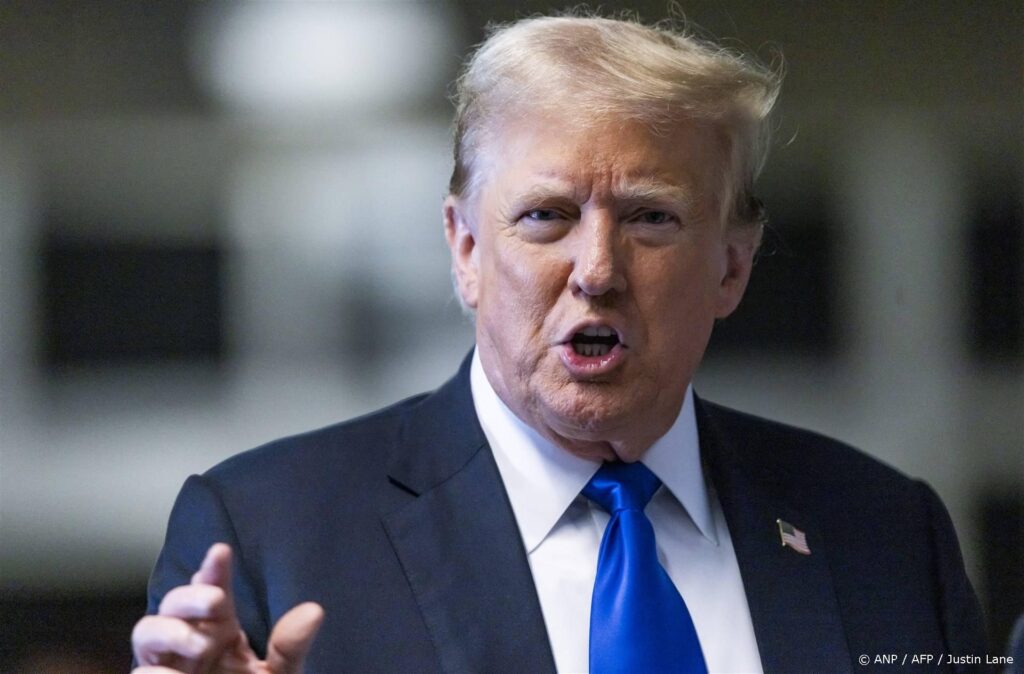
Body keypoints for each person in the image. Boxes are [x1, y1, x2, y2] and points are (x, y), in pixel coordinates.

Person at [131, 14, 988, 674]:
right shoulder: (271, 532)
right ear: (466, 251)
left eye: (652, 218)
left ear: (732, 265)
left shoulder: (882, 529)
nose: (598, 270)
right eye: (546, 217)